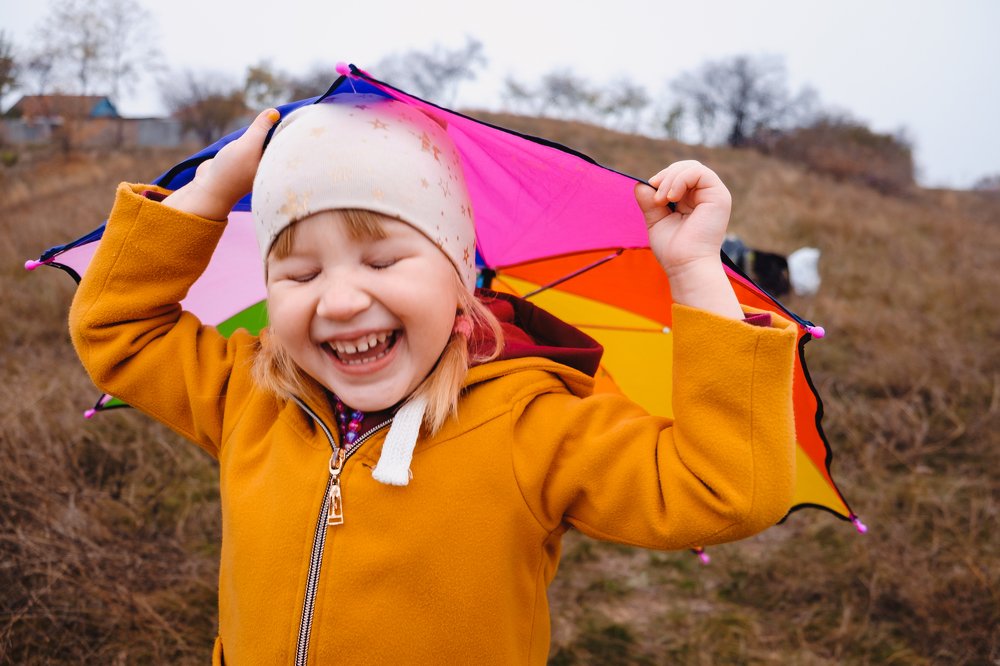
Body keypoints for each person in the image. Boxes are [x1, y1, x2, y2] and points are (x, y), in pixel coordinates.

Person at [69, 94, 798, 665]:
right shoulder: (247, 395)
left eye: (383, 261)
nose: (340, 300)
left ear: (460, 282)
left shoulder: (530, 426)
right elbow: (115, 328)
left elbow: (724, 488)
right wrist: (210, 192)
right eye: (300, 273)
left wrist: (695, 272)